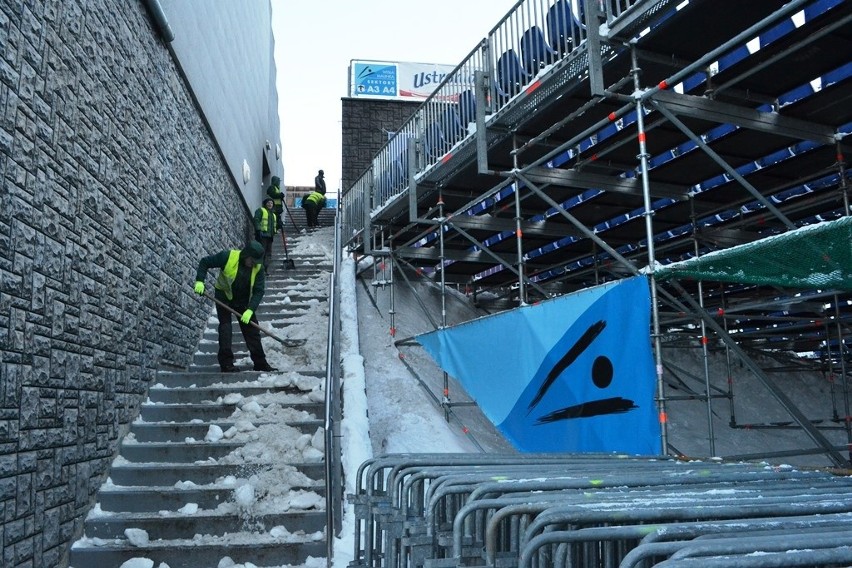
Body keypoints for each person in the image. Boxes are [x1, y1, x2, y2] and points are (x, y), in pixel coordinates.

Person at [193, 241, 277, 373]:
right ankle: (226, 364)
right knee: (225, 328)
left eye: (256, 261)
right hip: (224, 297)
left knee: (252, 330)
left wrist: (250, 310)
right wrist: (199, 281)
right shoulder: (227, 257)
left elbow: (259, 290)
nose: (254, 263)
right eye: (252, 260)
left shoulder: (258, 268)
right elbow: (205, 262)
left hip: (243, 301)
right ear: (246, 255)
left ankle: (260, 363)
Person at [253, 197, 279, 273]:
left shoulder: (273, 215)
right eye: (268, 203)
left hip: (270, 237)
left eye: (271, 203)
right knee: (261, 252)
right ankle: (258, 269)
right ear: (265, 204)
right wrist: (258, 229)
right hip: (262, 235)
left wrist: (278, 225)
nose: (270, 204)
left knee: (268, 254)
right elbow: (256, 219)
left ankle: (265, 269)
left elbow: (273, 226)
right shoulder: (261, 210)